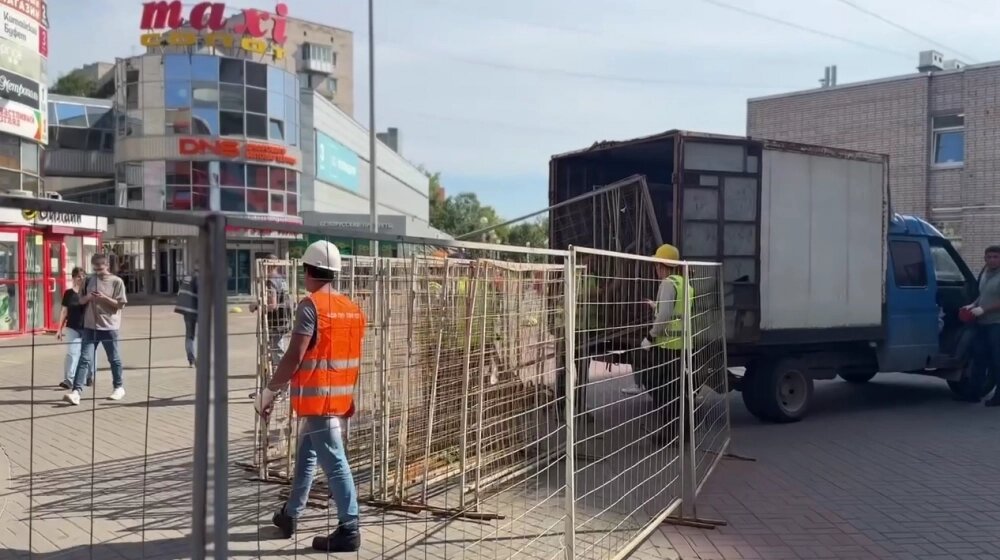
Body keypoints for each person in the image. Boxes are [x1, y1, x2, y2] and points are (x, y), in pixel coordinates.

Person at [255, 240, 365, 552]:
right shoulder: (351, 309)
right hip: (336, 398)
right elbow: (349, 357)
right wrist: (349, 397)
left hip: (319, 401)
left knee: (334, 460)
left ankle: (350, 527)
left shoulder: (310, 305)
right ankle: (290, 515)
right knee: (307, 453)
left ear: (307, 271)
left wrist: (269, 392)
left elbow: (294, 355)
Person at [635, 243, 693, 444]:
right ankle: (683, 432)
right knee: (677, 389)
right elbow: (674, 310)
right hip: (681, 345)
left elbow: (666, 316)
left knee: (659, 387)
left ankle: (670, 432)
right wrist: (655, 305)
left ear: (661, 265)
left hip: (667, 346)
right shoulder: (683, 283)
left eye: (656, 265)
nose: (655, 269)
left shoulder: (668, 284)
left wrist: (650, 337)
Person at [64, 254, 128, 406]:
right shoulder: (89, 280)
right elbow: (80, 300)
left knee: (113, 358)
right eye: (95, 267)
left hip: (109, 327)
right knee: (84, 358)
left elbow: (121, 304)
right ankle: (76, 392)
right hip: (90, 326)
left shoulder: (116, 281)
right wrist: (88, 298)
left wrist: (103, 298)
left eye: (100, 266)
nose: (97, 270)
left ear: (107, 265)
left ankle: (118, 387)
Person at [964, 245, 1000, 407]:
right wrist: (972, 305)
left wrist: (984, 309)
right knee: (979, 359)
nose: (992, 260)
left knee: (997, 361)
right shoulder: (985, 273)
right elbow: (983, 294)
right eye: (989, 257)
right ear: (985, 258)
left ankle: (998, 397)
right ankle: (973, 393)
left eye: (996, 257)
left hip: (996, 324)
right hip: (982, 323)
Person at [56, 267, 94, 389]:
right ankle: (69, 379)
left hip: (88, 328)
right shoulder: (68, 293)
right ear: (73, 278)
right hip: (72, 327)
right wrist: (59, 329)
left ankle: (89, 375)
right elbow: (64, 311)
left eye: (83, 276)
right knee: (72, 353)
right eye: (78, 276)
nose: (81, 278)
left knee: (88, 354)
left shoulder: (89, 293)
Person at [174, 266, 199, 368]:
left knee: (189, 335)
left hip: (186, 310)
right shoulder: (199, 278)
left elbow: (180, 292)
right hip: (195, 311)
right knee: (198, 336)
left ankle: (191, 360)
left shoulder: (187, 276)